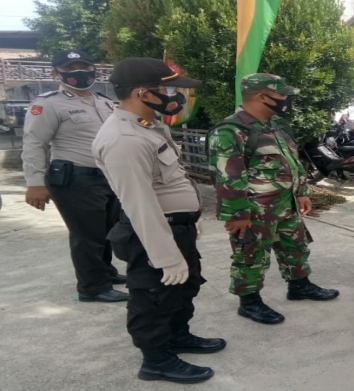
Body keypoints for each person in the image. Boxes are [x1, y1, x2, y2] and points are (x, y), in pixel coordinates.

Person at [92, 57, 225, 384]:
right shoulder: (125, 138)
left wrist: (189, 217)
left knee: (184, 287)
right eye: (169, 88)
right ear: (144, 93)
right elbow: (139, 203)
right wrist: (164, 256)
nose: (176, 96)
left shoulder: (147, 125)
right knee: (153, 295)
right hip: (153, 232)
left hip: (175, 226)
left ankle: (178, 336)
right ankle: (155, 359)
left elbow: (169, 180)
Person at [207, 73, 339, 326]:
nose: (286, 99)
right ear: (261, 96)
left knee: (296, 246)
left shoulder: (276, 126)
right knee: (251, 255)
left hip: (285, 204)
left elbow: (293, 162)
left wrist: (301, 192)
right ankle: (249, 302)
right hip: (254, 210)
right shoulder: (230, 131)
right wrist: (238, 215)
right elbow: (227, 177)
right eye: (281, 95)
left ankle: (300, 286)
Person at [21, 49, 127, 303]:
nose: (80, 72)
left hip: (107, 176)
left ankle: (105, 272)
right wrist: (35, 183)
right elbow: (34, 143)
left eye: (85, 66)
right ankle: (92, 287)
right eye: (70, 68)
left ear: (93, 69)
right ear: (56, 73)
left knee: (107, 229)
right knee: (86, 234)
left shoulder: (103, 101)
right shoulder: (48, 103)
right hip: (75, 178)